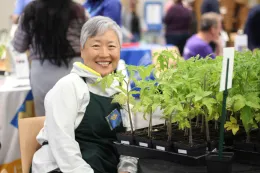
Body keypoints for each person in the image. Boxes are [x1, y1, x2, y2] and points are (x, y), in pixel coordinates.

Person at [31, 16, 138, 173]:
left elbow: (130, 141)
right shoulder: (69, 86)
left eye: (111, 46)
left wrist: (127, 168)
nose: (104, 54)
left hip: (105, 165)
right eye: (96, 45)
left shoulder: (121, 88)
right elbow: (63, 147)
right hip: (63, 168)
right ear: (82, 50)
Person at [12, 0, 87, 116]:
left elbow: (18, 45)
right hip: (73, 69)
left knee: (46, 122)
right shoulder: (78, 10)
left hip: (42, 73)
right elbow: (92, 38)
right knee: (77, 119)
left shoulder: (30, 11)